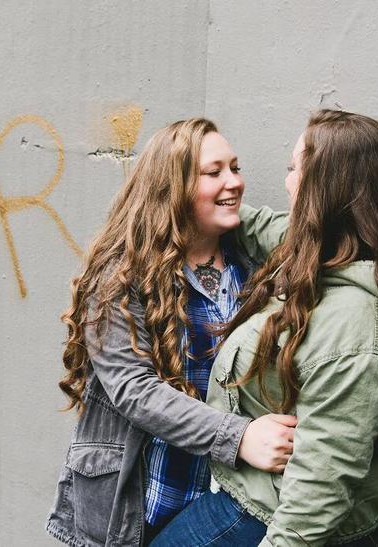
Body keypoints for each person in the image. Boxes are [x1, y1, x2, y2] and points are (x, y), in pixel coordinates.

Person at [151, 109, 378, 546]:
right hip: (248, 491)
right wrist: (185, 201)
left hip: (267, 517)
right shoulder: (323, 254)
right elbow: (258, 226)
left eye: (294, 169)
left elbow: (321, 484)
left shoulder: (353, 327)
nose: (287, 183)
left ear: (326, 190)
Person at [46, 118, 299, 547]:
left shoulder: (253, 264)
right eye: (214, 172)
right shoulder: (121, 275)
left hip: (225, 498)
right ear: (173, 187)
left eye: (235, 168)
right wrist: (239, 437)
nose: (235, 182)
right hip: (142, 500)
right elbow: (134, 390)